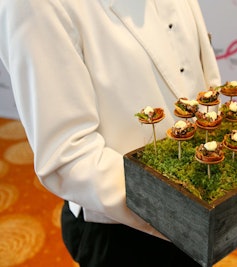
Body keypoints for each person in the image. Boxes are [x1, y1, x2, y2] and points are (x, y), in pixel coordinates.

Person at [0, 0, 221, 266]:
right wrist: (182, 213)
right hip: (124, 230)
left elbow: (200, 73)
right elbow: (67, 154)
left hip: (204, 197)